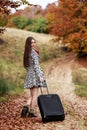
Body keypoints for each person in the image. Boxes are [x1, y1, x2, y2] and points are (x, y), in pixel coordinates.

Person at [21, 36, 46, 118]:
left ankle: (26, 106)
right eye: (31, 42)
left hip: (30, 74)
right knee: (35, 94)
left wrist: (30, 71)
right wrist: (40, 76)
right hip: (35, 75)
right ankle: (31, 112)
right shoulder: (33, 53)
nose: (33, 44)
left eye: (34, 42)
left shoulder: (27, 52)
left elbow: (26, 66)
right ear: (28, 43)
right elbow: (36, 66)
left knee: (32, 94)